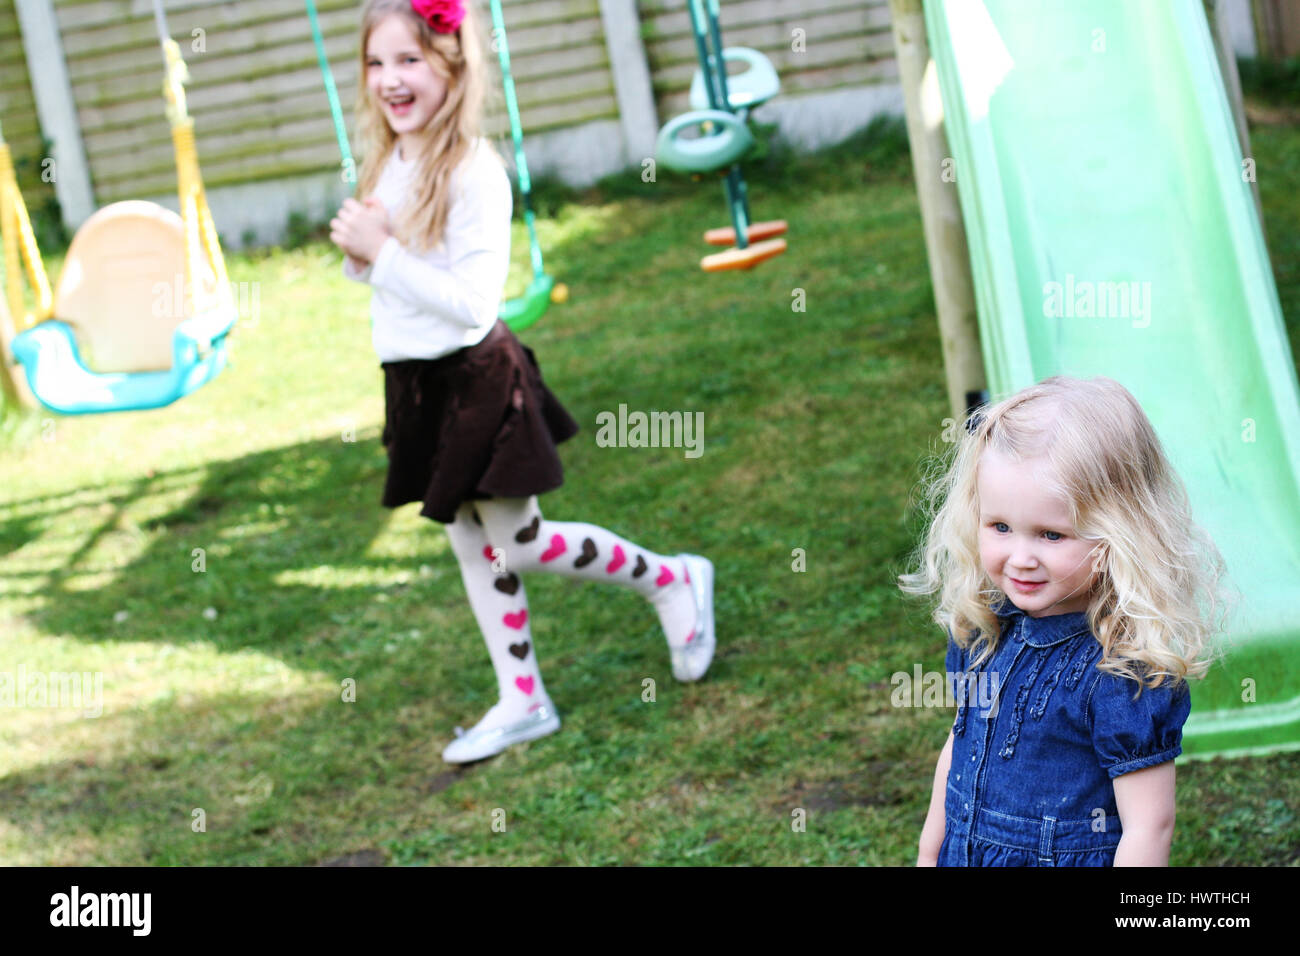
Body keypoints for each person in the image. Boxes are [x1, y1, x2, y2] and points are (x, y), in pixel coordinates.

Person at [330, 0, 715, 764]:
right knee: (473, 544)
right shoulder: (393, 157)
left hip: (473, 380)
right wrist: (361, 248)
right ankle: (523, 697)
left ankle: (672, 579)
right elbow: (389, 273)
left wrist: (385, 253)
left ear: (451, 64)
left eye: (409, 60)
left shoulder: (473, 170)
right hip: (415, 384)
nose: (390, 80)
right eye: (377, 63)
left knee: (523, 541)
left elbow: (473, 310)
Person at [899, 376, 1227, 866]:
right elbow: (961, 742)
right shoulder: (987, 630)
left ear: (1121, 532)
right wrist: (930, 854)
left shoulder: (1120, 674)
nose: (1021, 558)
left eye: (1052, 535)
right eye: (1001, 527)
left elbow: (1148, 826)